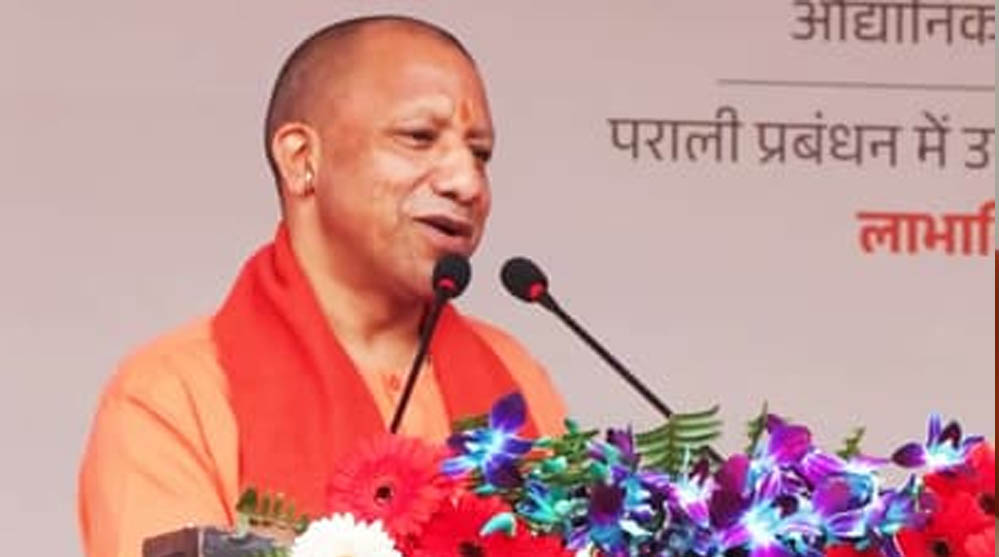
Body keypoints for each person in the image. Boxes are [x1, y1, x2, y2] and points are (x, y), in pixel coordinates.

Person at [78, 15, 567, 557]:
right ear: (301, 159)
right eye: (419, 138)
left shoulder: (513, 375)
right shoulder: (172, 393)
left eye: (480, 154)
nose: (466, 182)